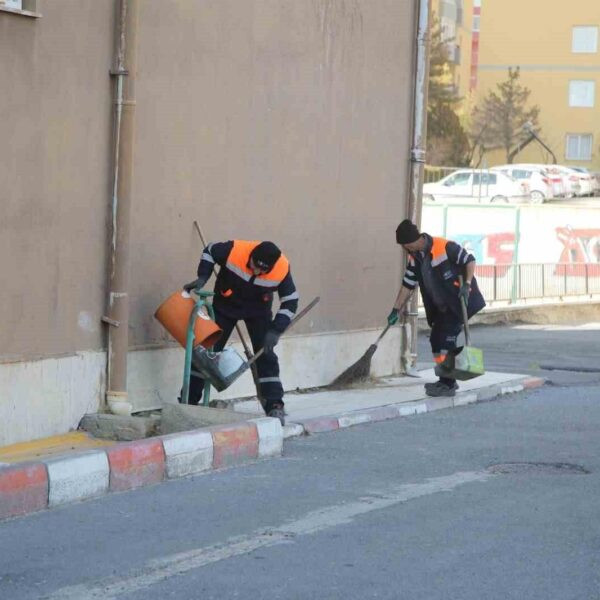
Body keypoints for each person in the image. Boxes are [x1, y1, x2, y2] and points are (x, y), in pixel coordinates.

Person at [182, 240, 298, 424]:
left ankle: (275, 405)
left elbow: (291, 300)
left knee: (265, 355)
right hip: (225, 305)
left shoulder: (281, 268)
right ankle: (188, 401)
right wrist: (203, 277)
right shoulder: (234, 250)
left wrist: (276, 330)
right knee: (207, 351)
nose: (257, 272)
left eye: (263, 271)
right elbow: (209, 251)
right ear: (251, 256)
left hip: (258, 311)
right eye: (254, 266)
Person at [388, 219, 485, 397]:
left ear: (411, 241)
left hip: (458, 302)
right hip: (441, 308)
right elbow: (407, 285)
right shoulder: (415, 258)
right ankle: (447, 380)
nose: (405, 249)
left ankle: (447, 383)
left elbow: (469, 260)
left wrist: (467, 284)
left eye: (404, 245)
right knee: (437, 341)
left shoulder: (444, 246)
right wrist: (395, 310)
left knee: (444, 340)